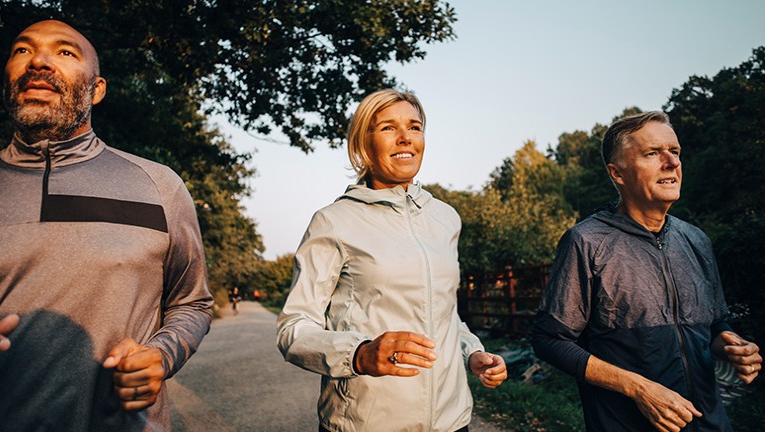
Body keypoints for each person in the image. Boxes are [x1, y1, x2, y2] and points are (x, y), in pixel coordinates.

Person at [0, 20, 213, 431]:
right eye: (22, 50)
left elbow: (192, 302)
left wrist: (162, 355)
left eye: (64, 52)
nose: (39, 60)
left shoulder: (159, 185)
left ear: (97, 89)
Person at [276, 88, 507, 432]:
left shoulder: (446, 219)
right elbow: (293, 330)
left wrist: (471, 353)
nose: (404, 138)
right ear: (363, 145)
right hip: (366, 423)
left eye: (414, 127)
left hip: (452, 420)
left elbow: (443, 314)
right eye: (387, 128)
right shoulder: (334, 221)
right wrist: (360, 354)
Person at [531, 111, 762, 432]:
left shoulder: (696, 239)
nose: (671, 162)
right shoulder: (586, 241)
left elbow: (712, 326)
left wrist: (730, 343)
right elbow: (548, 340)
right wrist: (639, 388)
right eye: (653, 153)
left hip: (710, 422)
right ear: (618, 173)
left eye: (675, 152)